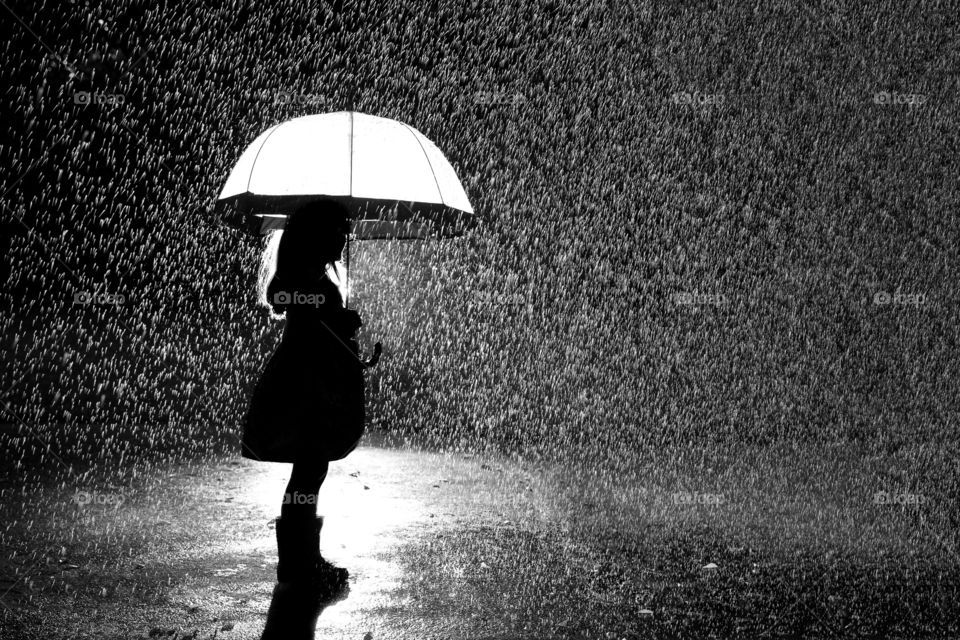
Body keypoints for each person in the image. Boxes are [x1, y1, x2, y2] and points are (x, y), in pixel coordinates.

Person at [241, 199, 366, 594]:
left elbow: (310, 313)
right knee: (308, 472)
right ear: (318, 234)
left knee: (311, 472)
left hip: (313, 381)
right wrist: (331, 314)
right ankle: (299, 562)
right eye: (340, 231)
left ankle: (302, 559)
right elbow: (281, 298)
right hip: (303, 386)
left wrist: (335, 318)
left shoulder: (310, 272)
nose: (346, 238)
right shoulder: (301, 273)